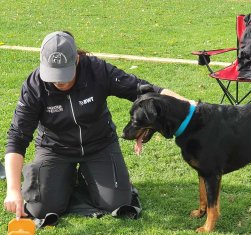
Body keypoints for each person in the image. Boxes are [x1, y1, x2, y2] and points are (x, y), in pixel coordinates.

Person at [4, 31, 187, 222]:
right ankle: (61, 179)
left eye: (64, 75)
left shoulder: (97, 70)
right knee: (41, 208)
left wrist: (189, 106)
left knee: (116, 203)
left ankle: (79, 180)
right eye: (54, 76)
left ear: (77, 59)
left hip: (100, 145)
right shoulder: (34, 86)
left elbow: (144, 90)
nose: (59, 82)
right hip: (55, 149)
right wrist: (13, 190)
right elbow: (17, 136)